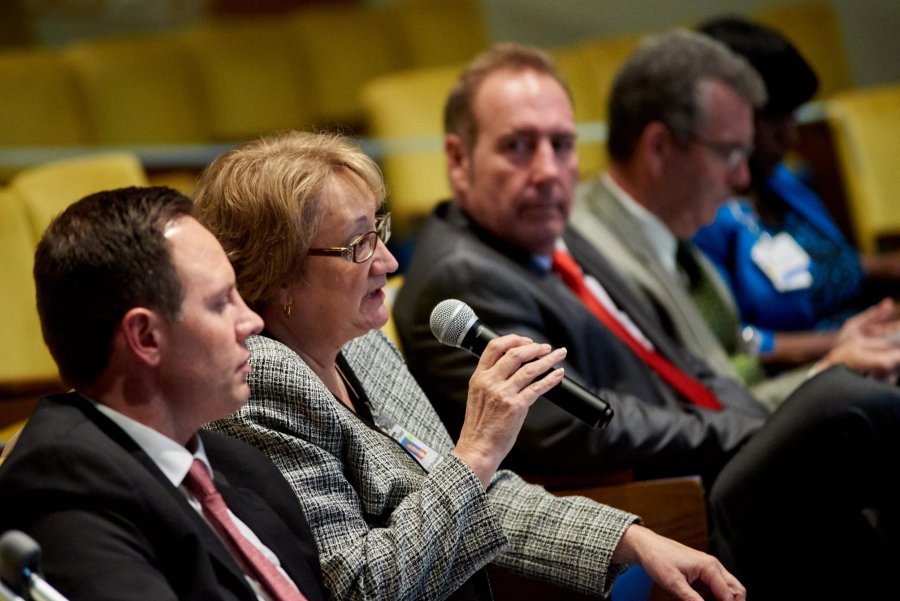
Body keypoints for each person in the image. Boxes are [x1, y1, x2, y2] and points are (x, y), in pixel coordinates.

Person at [393, 36, 900, 598]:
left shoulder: (550, 236)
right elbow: (573, 428)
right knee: (845, 405)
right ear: (458, 160)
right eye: (518, 146)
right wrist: (740, 425)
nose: (548, 170)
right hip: (668, 512)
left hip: (709, 469)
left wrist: (742, 410)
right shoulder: (462, 275)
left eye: (561, 145)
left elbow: (678, 357)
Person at [192, 130, 746, 601]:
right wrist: (477, 449)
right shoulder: (260, 381)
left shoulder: (362, 346)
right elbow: (359, 586)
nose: (387, 261)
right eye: (358, 244)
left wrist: (631, 540)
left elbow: (474, 495)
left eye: (379, 231)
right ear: (276, 270)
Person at [0, 186, 327, 601]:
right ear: (145, 336)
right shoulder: (60, 484)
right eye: (221, 302)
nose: (251, 321)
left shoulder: (242, 466)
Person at [572, 21, 900, 409]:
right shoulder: (600, 260)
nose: (742, 177)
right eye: (728, 152)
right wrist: (827, 371)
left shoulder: (666, 231)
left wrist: (842, 352)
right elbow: (697, 416)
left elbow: (727, 361)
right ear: (658, 148)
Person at [694, 16, 900, 371]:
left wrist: (884, 268)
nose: (791, 137)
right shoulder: (701, 218)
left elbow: (827, 264)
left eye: (794, 117)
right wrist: (843, 343)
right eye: (776, 120)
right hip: (808, 378)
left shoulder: (781, 182)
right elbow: (730, 343)